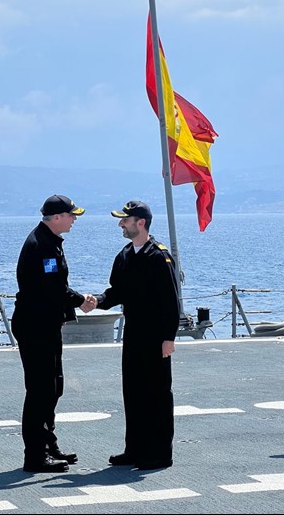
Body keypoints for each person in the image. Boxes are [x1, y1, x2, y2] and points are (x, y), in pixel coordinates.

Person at [11, 194, 97, 473]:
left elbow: (54, 287)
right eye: (71, 215)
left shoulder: (48, 242)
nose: (74, 220)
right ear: (57, 217)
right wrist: (81, 299)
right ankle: (35, 456)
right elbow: (52, 288)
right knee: (40, 390)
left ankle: (48, 445)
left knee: (53, 387)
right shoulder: (42, 246)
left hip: (45, 324)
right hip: (35, 326)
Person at [95, 200, 180, 471]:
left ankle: (159, 453)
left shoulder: (159, 256)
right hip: (133, 334)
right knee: (133, 392)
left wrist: (169, 337)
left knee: (157, 393)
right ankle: (135, 449)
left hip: (156, 337)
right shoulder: (125, 254)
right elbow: (116, 292)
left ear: (140, 222)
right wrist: (93, 300)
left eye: (125, 220)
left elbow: (171, 300)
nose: (121, 224)